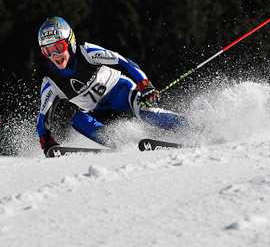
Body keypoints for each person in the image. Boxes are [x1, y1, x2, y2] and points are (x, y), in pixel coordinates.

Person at [37, 16, 184, 153]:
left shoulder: (87, 52)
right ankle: (122, 143)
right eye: (47, 51)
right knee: (78, 120)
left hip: (124, 94)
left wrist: (145, 85)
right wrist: (46, 141)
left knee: (147, 114)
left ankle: (193, 128)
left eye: (58, 48)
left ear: (70, 43)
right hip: (103, 113)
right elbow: (43, 118)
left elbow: (124, 62)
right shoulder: (51, 82)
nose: (54, 56)